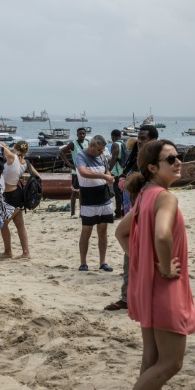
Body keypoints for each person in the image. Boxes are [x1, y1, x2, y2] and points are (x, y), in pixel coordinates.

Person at [107, 139, 195, 390]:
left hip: (147, 287)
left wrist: (142, 262)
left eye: (178, 156)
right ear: (152, 167)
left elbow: (121, 233)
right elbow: (161, 234)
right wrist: (164, 265)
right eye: (170, 158)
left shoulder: (145, 194)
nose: (178, 161)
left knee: (152, 359)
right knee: (171, 362)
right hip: (165, 287)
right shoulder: (165, 197)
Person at [104, 127, 157, 311]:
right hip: (132, 212)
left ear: (153, 139)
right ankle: (127, 298)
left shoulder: (157, 162)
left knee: (148, 257)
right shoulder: (136, 158)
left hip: (149, 213)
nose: (140, 141)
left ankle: (148, 298)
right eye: (139, 138)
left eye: (144, 138)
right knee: (129, 255)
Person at [0, 140, 40, 259]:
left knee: (3, 224)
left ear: (15, 147)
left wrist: (6, 146)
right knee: (20, 224)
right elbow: (38, 176)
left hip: (9, 195)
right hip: (18, 194)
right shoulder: (25, 162)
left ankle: (8, 252)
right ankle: (26, 252)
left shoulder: (11, 157)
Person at [75, 135, 115, 272]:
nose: (100, 152)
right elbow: (83, 172)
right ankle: (83, 263)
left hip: (104, 196)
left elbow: (107, 169)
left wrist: (108, 177)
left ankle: (103, 262)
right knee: (86, 231)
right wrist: (103, 176)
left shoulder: (102, 155)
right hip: (88, 198)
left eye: (102, 150)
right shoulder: (81, 155)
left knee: (103, 231)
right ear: (91, 146)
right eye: (98, 150)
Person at [59, 127, 88, 218]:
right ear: (77, 135)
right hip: (76, 172)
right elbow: (61, 152)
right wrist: (69, 165)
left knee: (83, 192)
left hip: (85, 171)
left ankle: (82, 213)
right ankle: (72, 213)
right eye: (80, 134)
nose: (82, 135)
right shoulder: (73, 144)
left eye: (83, 133)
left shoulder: (87, 143)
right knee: (75, 192)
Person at [108, 129, 127, 219]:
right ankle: (124, 211)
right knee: (123, 193)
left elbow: (114, 158)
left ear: (113, 136)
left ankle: (118, 213)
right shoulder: (124, 144)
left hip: (117, 172)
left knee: (117, 193)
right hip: (124, 171)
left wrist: (108, 170)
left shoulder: (115, 144)